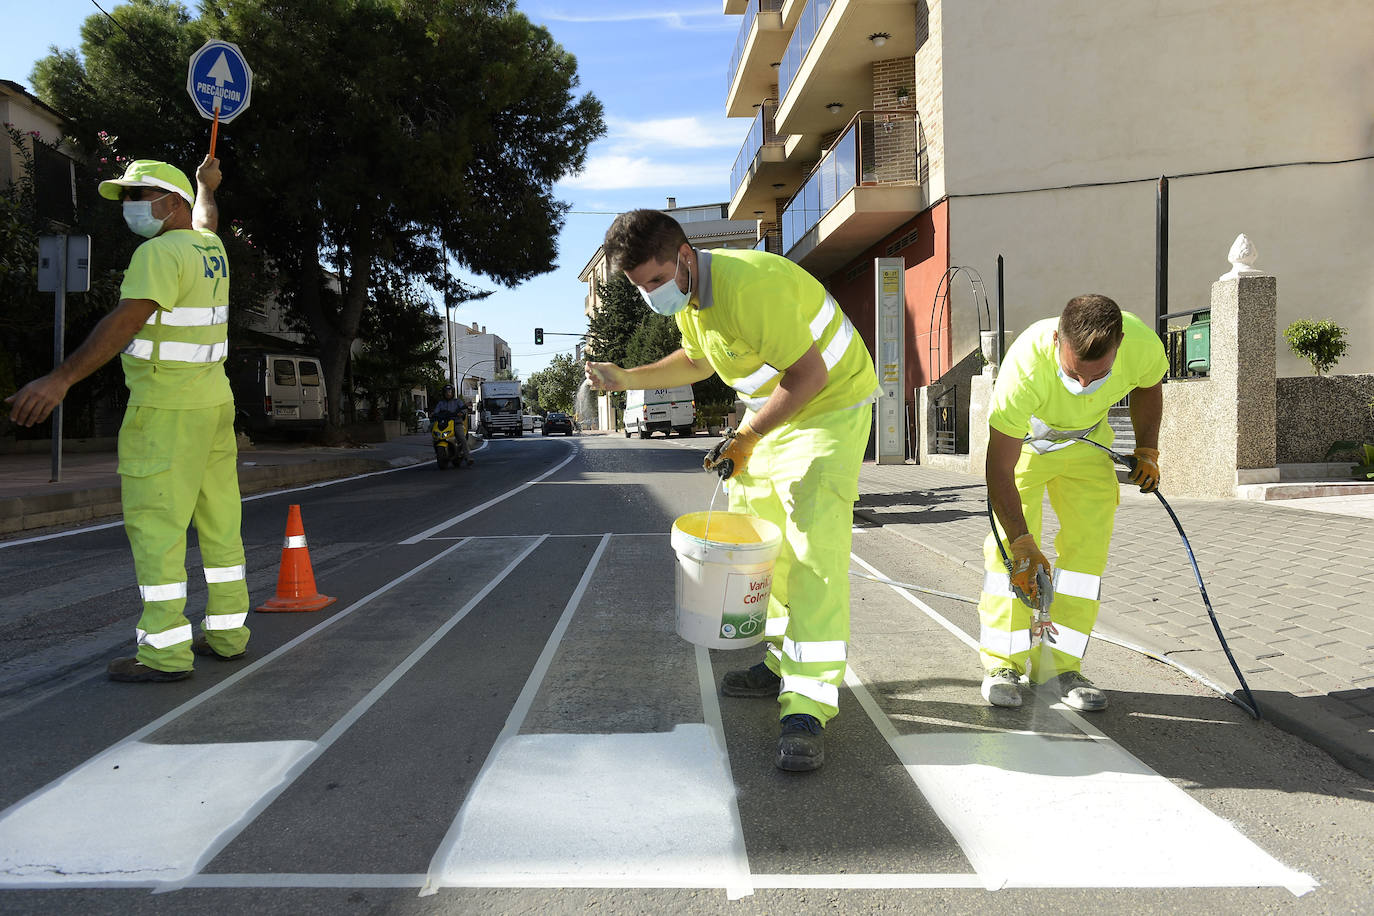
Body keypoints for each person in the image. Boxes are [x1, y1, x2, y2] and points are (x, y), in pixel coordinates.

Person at [586, 209, 879, 772]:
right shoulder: (694, 300)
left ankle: (809, 705)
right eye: (638, 286)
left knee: (813, 550)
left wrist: (744, 436)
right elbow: (698, 361)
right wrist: (627, 378)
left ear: (685, 257)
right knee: (761, 542)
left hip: (828, 408)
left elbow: (810, 377)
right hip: (775, 413)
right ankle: (778, 663)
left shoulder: (752, 286)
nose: (650, 295)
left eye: (654, 281)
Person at [5, 157, 250, 682]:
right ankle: (229, 634)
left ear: (170, 203)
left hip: (164, 409)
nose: (132, 208)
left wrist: (60, 380)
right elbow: (206, 219)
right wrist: (208, 187)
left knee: (157, 531)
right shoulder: (210, 249)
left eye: (140, 197)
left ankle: (164, 654)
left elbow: (124, 321)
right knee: (220, 525)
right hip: (214, 405)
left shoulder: (157, 253)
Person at [979, 294, 1168, 711]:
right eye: (1073, 373)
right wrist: (1023, 541)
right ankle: (1001, 665)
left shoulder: (1141, 344)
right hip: (1025, 449)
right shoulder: (1025, 367)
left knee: (1086, 557)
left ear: (1119, 343)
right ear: (1055, 340)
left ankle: (1059, 667)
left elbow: (1148, 385)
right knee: (1010, 558)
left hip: (1085, 445)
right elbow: (998, 469)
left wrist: (1148, 450)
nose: (1083, 385)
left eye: (1097, 376)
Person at [432, 384, 473, 465]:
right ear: (443, 393)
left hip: (456, 423)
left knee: (462, 438)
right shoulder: (441, 403)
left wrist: (461, 413)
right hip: (443, 423)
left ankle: (468, 458)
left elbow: (464, 409)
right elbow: (436, 411)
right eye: (446, 392)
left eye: (450, 392)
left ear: (453, 392)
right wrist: (433, 414)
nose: (448, 394)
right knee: (433, 432)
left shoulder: (457, 401)